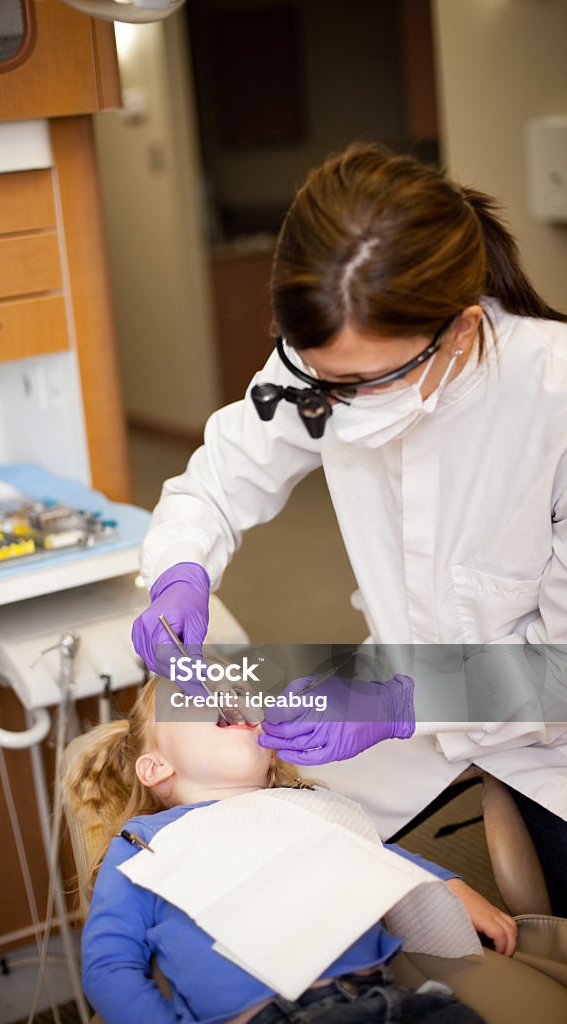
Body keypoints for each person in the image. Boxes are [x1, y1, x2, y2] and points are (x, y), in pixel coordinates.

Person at [130, 143, 567, 911]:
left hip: (552, 734)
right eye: (321, 377)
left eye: (367, 382)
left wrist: (397, 703)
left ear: (460, 330)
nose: (338, 403)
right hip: (394, 687)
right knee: (268, 861)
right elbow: (220, 479)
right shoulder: (314, 367)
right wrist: (180, 569)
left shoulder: (552, 402)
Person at [63, 677, 548, 1024]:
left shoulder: (307, 808)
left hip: (395, 1000)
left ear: (272, 763)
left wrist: (449, 885)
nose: (223, 695)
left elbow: (379, 855)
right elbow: (110, 966)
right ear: (156, 769)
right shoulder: (142, 845)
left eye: (236, 691)